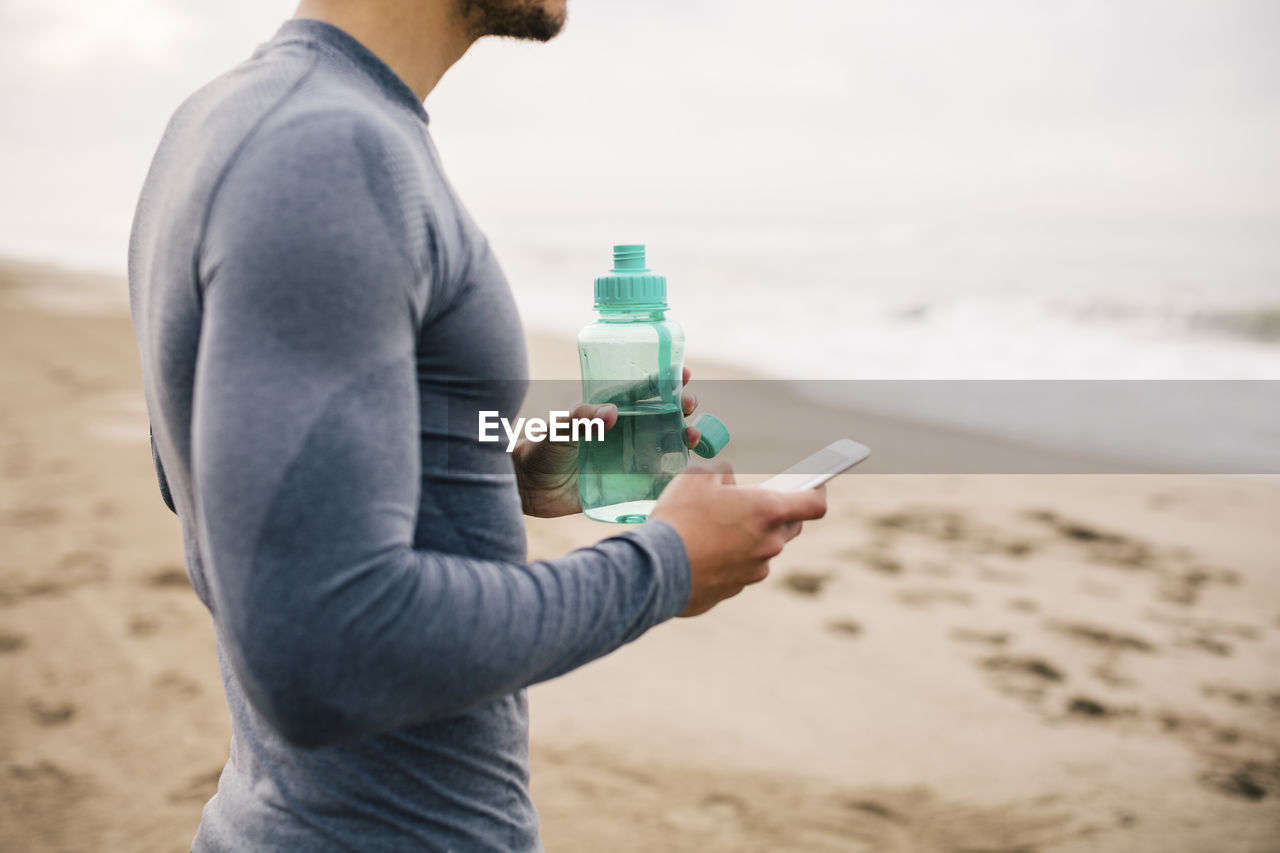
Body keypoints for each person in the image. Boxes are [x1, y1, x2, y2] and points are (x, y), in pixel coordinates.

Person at [127, 0, 827, 848]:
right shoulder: (330, 152)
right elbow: (323, 654)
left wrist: (506, 464)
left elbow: (224, 479)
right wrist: (666, 564)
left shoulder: (232, 118)